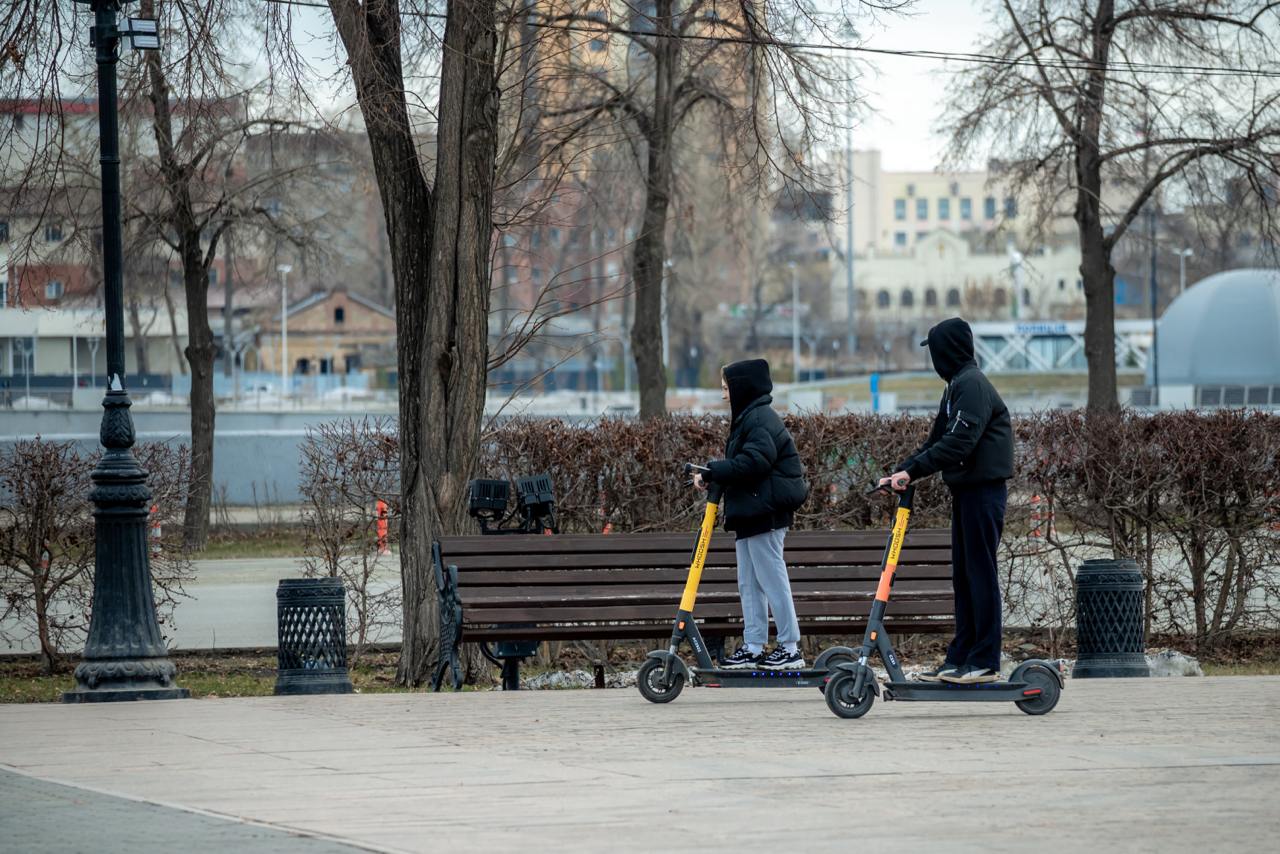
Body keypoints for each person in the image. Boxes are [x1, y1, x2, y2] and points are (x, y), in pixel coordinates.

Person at [880, 317, 1013, 684]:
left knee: (980, 576)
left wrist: (914, 471)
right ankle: (961, 657)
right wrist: (901, 471)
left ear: (947, 351)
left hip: (984, 494)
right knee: (965, 578)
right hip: (966, 492)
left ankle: (984, 659)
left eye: (935, 351)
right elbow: (936, 441)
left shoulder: (972, 385)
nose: (933, 359)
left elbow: (960, 443)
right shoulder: (956, 387)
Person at [693, 359, 809, 670]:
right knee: (749, 582)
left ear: (741, 388)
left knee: (771, 580)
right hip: (751, 514)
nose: (723, 396)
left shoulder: (759, 419)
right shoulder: (749, 419)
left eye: (726, 388)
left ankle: (790, 647)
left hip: (765, 515)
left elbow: (754, 462)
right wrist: (714, 474)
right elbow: (746, 465)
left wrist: (714, 470)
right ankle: (754, 645)